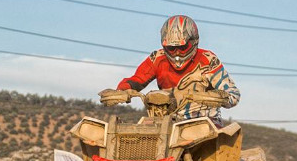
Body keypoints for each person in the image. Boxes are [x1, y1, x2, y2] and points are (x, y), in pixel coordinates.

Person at [103, 15, 240, 120]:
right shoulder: (157, 58)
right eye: (171, 48)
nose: (177, 53)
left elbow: (233, 94)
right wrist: (121, 91)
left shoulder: (207, 60)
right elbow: (137, 79)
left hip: (203, 120)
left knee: (215, 142)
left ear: (194, 41)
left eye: (182, 47)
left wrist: (219, 97)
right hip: (166, 120)